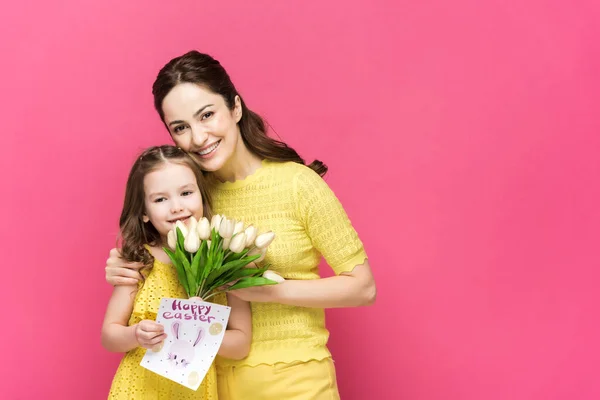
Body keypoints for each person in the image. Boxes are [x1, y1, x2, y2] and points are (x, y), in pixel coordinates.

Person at [105, 51, 377, 400]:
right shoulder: (190, 196)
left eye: (207, 115)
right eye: (181, 128)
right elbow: (156, 259)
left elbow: (363, 288)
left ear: (235, 108)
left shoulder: (297, 184)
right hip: (207, 385)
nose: (198, 138)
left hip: (294, 381)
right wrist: (123, 264)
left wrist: (265, 290)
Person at [101, 145, 252, 399]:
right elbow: (109, 335)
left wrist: (199, 328)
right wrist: (135, 334)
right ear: (144, 213)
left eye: (186, 193)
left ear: (202, 196)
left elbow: (241, 344)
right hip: (138, 390)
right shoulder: (140, 261)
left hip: (193, 391)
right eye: (160, 199)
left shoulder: (225, 263)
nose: (176, 207)